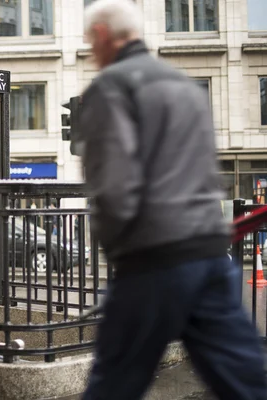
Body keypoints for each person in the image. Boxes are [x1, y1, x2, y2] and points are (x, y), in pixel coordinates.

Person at [79, 1, 267, 399]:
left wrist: (119, 249)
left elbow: (112, 185)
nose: (91, 54)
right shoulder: (185, 85)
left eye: (89, 43)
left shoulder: (111, 87)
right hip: (212, 256)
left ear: (101, 35)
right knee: (245, 378)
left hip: (154, 256)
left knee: (115, 381)